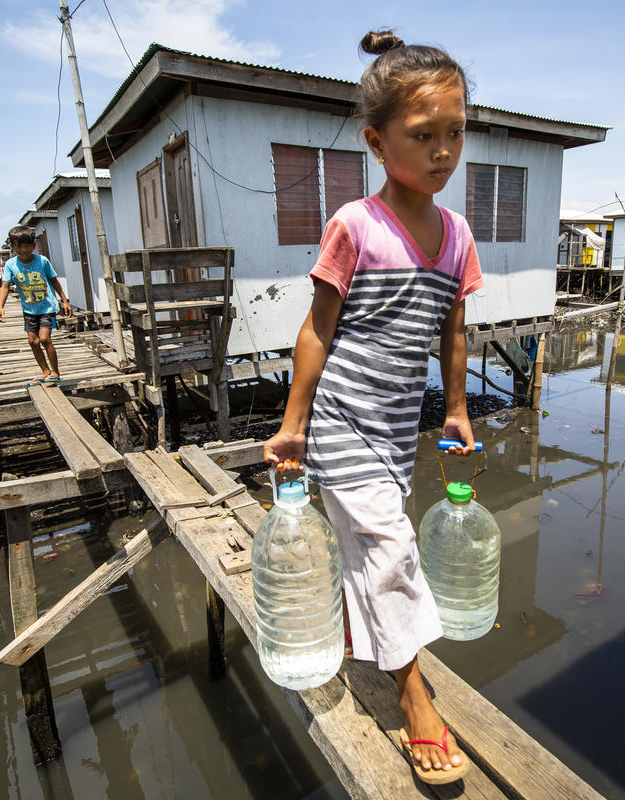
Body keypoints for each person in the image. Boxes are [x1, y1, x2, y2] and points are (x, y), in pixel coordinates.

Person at [262, 29, 481, 785]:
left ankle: (365, 640)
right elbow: (317, 328)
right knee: (390, 548)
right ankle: (416, 698)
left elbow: (452, 332)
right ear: (377, 140)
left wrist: (455, 408)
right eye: (424, 136)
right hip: (343, 422)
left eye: (455, 133)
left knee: (373, 546)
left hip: (396, 427)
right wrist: (294, 424)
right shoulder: (355, 226)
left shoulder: (457, 237)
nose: (443, 152)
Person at [0, 225, 72, 385]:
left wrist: (64, 301)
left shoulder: (42, 261)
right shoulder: (11, 265)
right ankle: (45, 371)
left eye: (27, 246)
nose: (24, 249)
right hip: (29, 309)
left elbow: (54, 280)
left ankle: (55, 372)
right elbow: (5, 285)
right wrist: (0, 307)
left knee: (45, 339)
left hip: (47, 307)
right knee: (33, 341)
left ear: (34, 245)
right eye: (19, 246)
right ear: (12, 246)